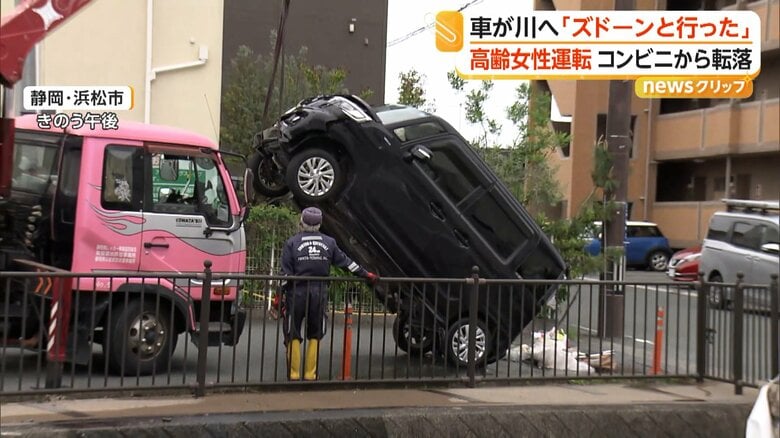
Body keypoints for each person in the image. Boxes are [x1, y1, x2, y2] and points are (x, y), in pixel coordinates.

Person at [280, 206, 378, 381]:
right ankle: (311, 374)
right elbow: (347, 263)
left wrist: (278, 296)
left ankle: (293, 375)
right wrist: (366, 274)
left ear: (301, 222)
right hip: (319, 291)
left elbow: (284, 275)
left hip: (297, 292)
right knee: (315, 332)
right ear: (320, 224)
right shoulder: (329, 243)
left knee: (292, 331)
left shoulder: (292, 243)